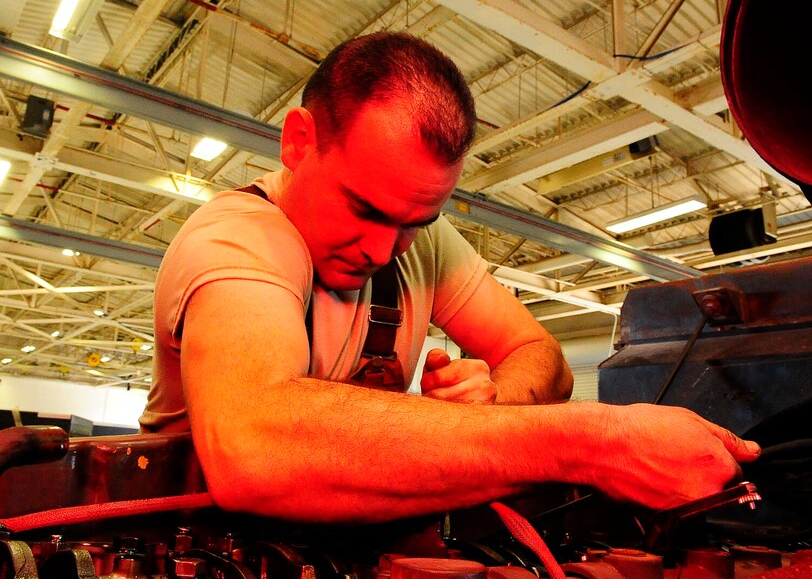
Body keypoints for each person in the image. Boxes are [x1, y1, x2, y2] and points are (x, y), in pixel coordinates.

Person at [139, 31, 760, 523]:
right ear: (300, 143)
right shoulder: (237, 237)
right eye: (364, 210)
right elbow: (253, 445)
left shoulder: (418, 240)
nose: (385, 250)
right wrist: (587, 440)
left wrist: (496, 405)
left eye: (415, 221)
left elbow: (540, 354)